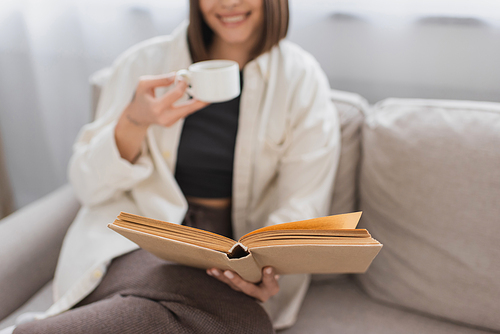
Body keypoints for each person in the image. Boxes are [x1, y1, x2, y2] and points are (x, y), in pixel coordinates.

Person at [12, 0, 340, 333]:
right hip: (141, 236)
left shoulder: (301, 79)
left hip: (225, 249)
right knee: (242, 322)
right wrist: (135, 121)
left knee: (233, 317)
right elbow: (87, 186)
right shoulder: (144, 63)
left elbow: (303, 202)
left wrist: (265, 268)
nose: (228, 3)